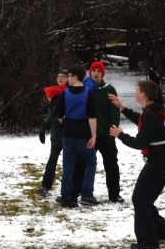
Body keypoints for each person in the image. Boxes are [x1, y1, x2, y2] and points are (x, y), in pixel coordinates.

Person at [109, 80, 165, 249]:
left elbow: (140, 142)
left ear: (143, 95)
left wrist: (120, 135)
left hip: (159, 159)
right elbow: (142, 121)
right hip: (160, 157)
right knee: (144, 198)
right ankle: (162, 232)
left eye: (137, 90)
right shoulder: (151, 111)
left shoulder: (151, 114)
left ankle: (148, 242)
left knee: (141, 199)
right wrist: (123, 107)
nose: (135, 93)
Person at [72, 61, 124, 203]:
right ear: (90, 72)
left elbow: (114, 111)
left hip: (105, 135)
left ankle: (114, 194)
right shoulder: (84, 89)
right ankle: (75, 191)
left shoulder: (109, 89)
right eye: (93, 70)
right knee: (80, 164)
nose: (95, 73)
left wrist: (113, 128)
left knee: (111, 165)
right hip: (87, 136)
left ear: (103, 73)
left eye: (98, 71)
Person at [55, 65, 99, 208]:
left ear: (75, 77)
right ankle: (86, 193)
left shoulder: (65, 93)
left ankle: (67, 196)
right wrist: (94, 135)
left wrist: (66, 124)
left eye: (68, 76)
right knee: (91, 162)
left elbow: (59, 115)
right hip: (83, 132)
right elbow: (92, 117)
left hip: (67, 132)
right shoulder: (88, 93)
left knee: (68, 165)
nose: (67, 78)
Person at [36, 69, 68, 198]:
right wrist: (43, 127)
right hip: (56, 133)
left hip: (69, 133)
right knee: (52, 160)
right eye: (59, 76)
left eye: (64, 76)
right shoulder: (53, 94)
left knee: (70, 162)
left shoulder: (71, 93)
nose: (60, 78)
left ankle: (70, 188)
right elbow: (51, 115)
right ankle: (45, 186)